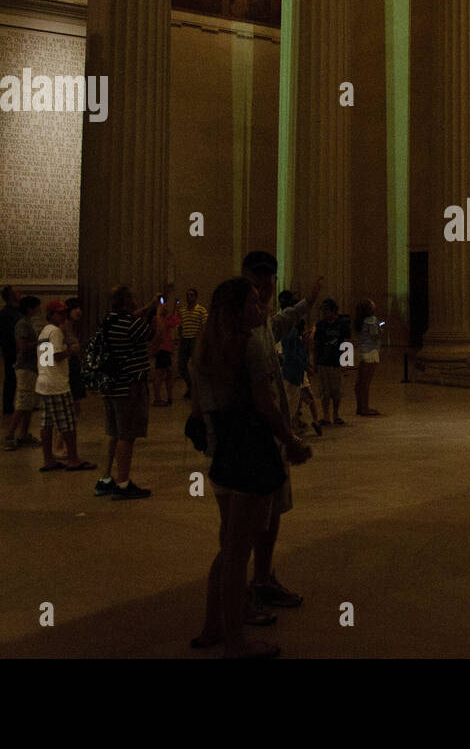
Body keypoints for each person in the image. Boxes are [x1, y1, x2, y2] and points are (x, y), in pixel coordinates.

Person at [190, 277, 311, 658]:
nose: (262, 309)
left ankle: (212, 627)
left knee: (228, 547)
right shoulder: (250, 346)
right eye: (256, 303)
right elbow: (265, 405)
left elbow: (201, 410)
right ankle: (236, 643)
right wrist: (291, 442)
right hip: (251, 454)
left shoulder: (203, 350)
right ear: (238, 310)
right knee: (238, 552)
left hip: (222, 454)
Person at [239, 252, 314, 610]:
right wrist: (289, 439)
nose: (264, 292)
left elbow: (281, 323)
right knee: (245, 529)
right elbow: (262, 400)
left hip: (268, 443)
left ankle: (263, 578)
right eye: (256, 286)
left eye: (267, 283)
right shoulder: (244, 335)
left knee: (269, 517)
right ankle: (242, 601)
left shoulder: (262, 323)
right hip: (254, 443)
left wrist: (305, 305)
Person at [94, 285, 159, 499]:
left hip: (111, 384)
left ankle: (105, 479)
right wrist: (157, 314)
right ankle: (123, 484)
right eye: (132, 297)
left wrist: (149, 305)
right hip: (129, 385)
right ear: (126, 301)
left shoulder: (108, 321)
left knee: (112, 432)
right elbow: (153, 338)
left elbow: (134, 317)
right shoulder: (132, 324)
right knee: (126, 435)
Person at [35, 300, 95, 473]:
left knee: (47, 424)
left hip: (44, 380)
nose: (61, 316)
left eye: (63, 313)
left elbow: (45, 358)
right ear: (51, 315)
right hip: (57, 384)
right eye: (58, 313)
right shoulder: (56, 331)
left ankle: (48, 459)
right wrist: (72, 350)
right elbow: (56, 355)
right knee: (68, 423)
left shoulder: (44, 331)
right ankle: (73, 459)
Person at [4, 295, 43, 451]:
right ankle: (9, 435)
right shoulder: (23, 324)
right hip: (25, 368)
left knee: (29, 403)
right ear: (30, 308)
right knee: (22, 402)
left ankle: (24, 434)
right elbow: (22, 346)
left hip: (31, 367)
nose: (39, 309)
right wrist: (39, 343)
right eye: (37, 306)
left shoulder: (29, 323)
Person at [313, 298, 350, 427]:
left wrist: (346, 361)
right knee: (324, 390)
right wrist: (315, 362)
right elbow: (316, 345)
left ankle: (336, 414)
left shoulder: (342, 324)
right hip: (323, 361)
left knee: (336, 390)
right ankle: (326, 415)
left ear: (333, 310)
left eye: (326, 310)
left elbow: (346, 342)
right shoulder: (320, 325)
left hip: (336, 361)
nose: (323, 313)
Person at [0, 285, 22, 417]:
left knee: (20, 378)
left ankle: (19, 404)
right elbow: (8, 333)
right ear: (11, 296)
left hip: (16, 348)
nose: (20, 293)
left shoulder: (17, 311)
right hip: (12, 349)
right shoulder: (6, 313)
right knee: (11, 378)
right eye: (17, 292)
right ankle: (8, 405)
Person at [353, 299, 382, 417]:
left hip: (363, 350)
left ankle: (360, 406)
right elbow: (374, 336)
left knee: (360, 381)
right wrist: (380, 331)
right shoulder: (372, 319)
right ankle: (365, 408)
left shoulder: (360, 321)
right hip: (371, 351)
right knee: (366, 382)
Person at [178, 288, 208, 399]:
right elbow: (180, 325)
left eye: (191, 295)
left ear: (196, 297)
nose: (189, 297)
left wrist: (201, 339)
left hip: (195, 340)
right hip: (185, 339)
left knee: (197, 366)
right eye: (187, 295)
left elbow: (205, 325)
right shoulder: (182, 310)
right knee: (181, 366)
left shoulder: (201, 310)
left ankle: (197, 389)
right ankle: (191, 386)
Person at [151, 297, 180, 406]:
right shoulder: (156, 319)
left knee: (168, 373)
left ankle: (169, 397)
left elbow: (175, 321)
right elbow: (162, 327)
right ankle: (157, 399)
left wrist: (175, 310)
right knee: (160, 374)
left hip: (166, 350)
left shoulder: (166, 319)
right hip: (161, 349)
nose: (165, 307)